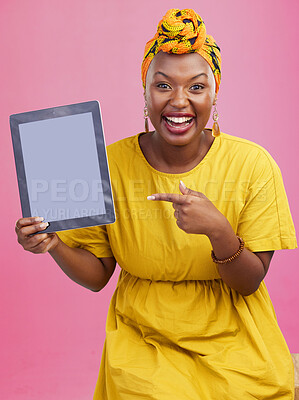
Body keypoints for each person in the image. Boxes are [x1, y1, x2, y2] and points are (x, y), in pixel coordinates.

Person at [15, 8, 297, 400]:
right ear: (145, 93)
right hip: (143, 344)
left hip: (236, 344)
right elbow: (97, 277)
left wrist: (218, 230)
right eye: (163, 86)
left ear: (215, 94)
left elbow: (249, 283)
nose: (179, 101)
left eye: (197, 87)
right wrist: (54, 244)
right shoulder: (108, 165)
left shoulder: (253, 165)